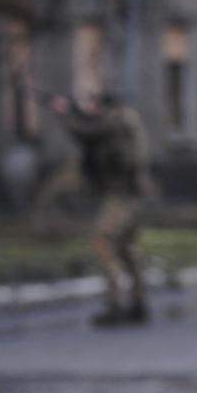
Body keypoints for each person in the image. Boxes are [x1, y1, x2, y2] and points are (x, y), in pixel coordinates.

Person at [51, 92, 153, 325]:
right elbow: (93, 130)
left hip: (122, 196)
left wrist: (65, 114)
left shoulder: (115, 121)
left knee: (103, 242)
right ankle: (139, 303)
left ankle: (115, 304)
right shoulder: (125, 120)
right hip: (133, 195)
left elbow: (86, 133)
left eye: (94, 105)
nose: (91, 109)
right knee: (127, 248)